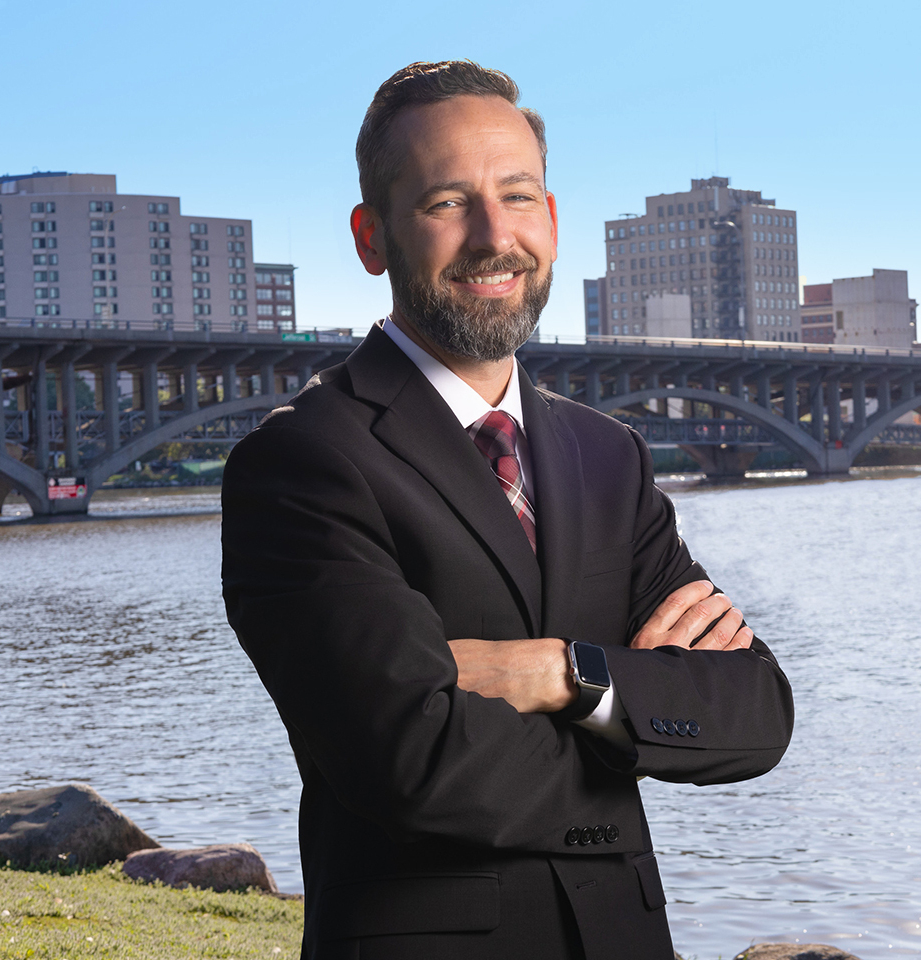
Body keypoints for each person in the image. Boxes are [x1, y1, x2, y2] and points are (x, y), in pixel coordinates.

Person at [221, 60, 793, 960]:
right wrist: (640, 715)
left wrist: (563, 674)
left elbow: (756, 711)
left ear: (553, 223)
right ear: (373, 238)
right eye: (448, 203)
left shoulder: (608, 455)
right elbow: (413, 763)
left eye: (518, 196)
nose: (495, 236)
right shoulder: (303, 461)